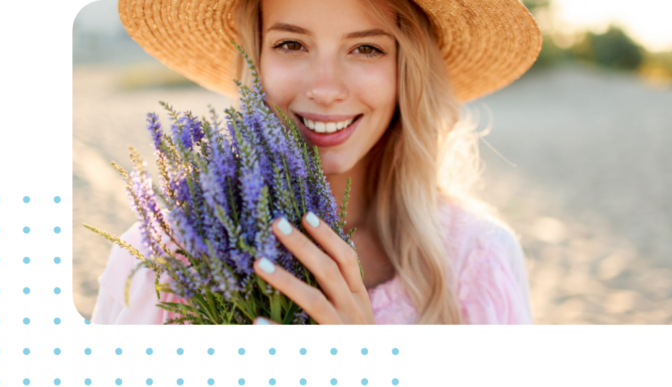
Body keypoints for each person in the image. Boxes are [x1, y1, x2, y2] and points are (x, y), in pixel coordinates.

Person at [91, 0, 542, 326]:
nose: (326, 89)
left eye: (366, 48)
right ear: (257, 60)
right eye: (291, 44)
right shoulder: (170, 257)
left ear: (409, 67)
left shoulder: (475, 260)